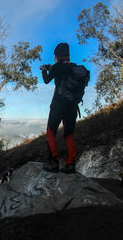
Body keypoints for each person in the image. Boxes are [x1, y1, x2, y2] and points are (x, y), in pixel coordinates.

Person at [41, 43, 82, 174]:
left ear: (57, 56)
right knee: (69, 135)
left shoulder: (57, 67)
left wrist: (44, 69)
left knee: (51, 132)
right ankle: (71, 163)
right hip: (72, 107)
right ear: (67, 55)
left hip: (58, 106)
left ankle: (54, 162)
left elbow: (47, 80)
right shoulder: (75, 68)